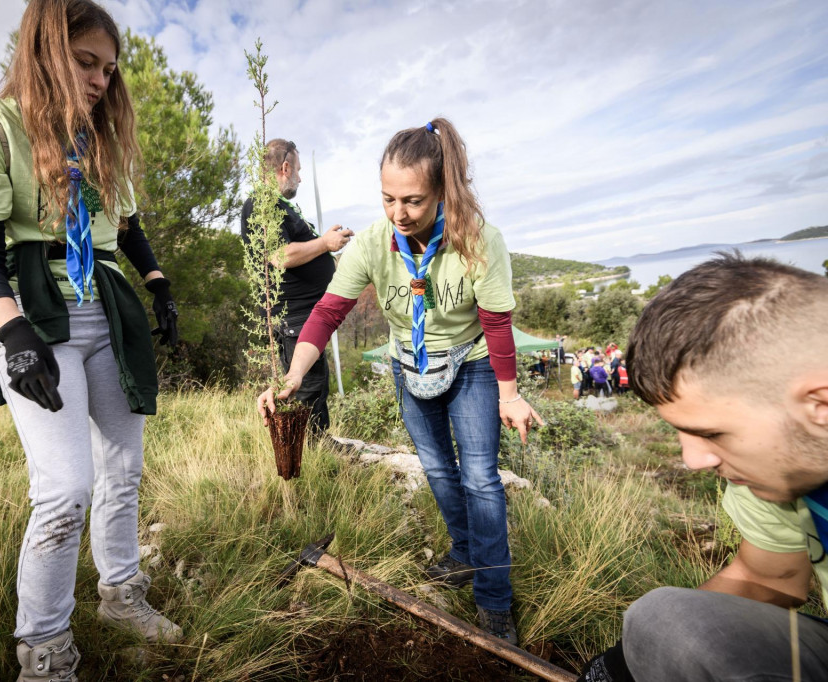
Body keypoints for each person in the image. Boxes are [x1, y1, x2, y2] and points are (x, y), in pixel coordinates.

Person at [0, 1, 182, 678]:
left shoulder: (99, 139)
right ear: (45, 49)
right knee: (64, 487)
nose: (101, 79)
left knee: (123, 469)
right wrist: (12, 332)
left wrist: (159, 284)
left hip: (108, 310)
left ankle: (120, 595)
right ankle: (45, 648)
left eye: (109, 68)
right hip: (37, 313)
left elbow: (127, 225)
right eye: (85, 62)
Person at [257, 118, 542, 644]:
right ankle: (463, 554)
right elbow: (326, 313)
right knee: (436, 467)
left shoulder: (478, 241)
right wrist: (295, 374)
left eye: (412, 200)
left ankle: (495, 602)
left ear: (441, 191)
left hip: (472, 361)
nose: (398, 213)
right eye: (387, 199)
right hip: (408, 363)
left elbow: (498, 324)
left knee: (479, 477)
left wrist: (509, 394)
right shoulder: (372, 243)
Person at [577, 254, 828, 682]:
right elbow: (770, 577)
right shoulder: (774, 474)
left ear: (820, 403)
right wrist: (632, 661)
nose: (693, 461)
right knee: (663, 619)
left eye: (712, 434)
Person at [241, 139, 353, 438]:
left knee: (313, 382)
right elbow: (280, 256)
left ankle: (311, 446)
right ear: (285, 167)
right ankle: (313, 448)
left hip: (304, 316)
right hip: (295, 317)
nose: (300, 178)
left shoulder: (277, 206)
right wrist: (325, 244)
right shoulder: (260, 205)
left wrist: (326, 244)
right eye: (298, 171)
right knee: (308, 385)